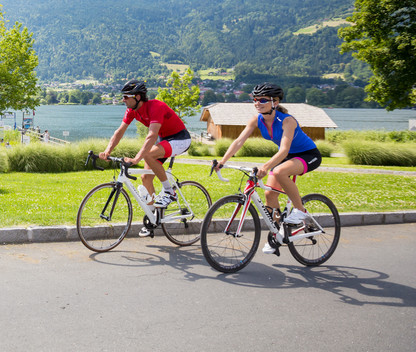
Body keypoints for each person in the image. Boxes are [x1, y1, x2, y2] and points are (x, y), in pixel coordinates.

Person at [215, 83, 323, 254]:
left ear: (275, 102)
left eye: (263, 100)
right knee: (269, 193)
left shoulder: (287, 120)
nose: (258, 103)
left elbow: (284, 150)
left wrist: (265, 167)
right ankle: (279, 233)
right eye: (255, 100)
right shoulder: (256, 119)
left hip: (308, 155)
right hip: (287, 157)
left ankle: (300, 211)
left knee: (280, 172)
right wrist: (222, 161)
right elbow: (238, 141)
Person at [99, 80, 192, 236]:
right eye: (122, 96)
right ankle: (153, 218)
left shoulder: (156, 107)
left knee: (148, 153)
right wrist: (107, 151)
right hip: (164, 140)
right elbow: (119, 132)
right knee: (145, 178)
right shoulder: (132, 110)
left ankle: (170, 192)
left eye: (126, 97)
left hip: (180, 138)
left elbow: (151, 135)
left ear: (137, 96)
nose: (123, 100)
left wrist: (136, 159)